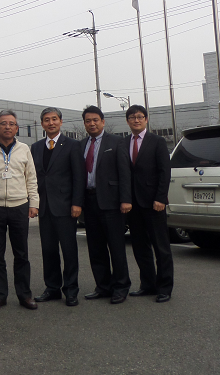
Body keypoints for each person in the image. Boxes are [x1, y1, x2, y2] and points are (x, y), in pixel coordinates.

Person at [0, 110, 40, 311]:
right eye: (3, 123)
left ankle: (25, 295)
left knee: (21, 254)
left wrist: (34, 203)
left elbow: (31, 178)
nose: (7, 127)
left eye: (11, 124)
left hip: (19, 206)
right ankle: (0, 295)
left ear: (16, 128)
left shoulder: (24, 149)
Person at [30, 107, 84, 307]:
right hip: (44, 207)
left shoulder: (73, 145)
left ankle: (71, 290)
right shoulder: (35, 147)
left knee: (69, 250)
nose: (50, 123)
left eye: (54, 119)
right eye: (46, 120)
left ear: (61, 122)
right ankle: (52, 288)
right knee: (48, 250)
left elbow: (79, 176)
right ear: (42, 124)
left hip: (66, 206)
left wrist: (77, 203)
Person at [80, 105, 132, 304]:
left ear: (102, 121)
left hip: (111, 202)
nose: (92, 124)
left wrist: (126, 199)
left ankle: (121, 286)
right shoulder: (81, 145)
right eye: (88, 121)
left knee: (116, 247)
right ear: (84, 124)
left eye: (95, 120)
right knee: (96, 248)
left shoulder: (117, 142)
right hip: (89, 202)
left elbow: (125, 172)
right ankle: (102, 286)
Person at [124, 105, 174, 303]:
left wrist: (161, 198)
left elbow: (164, 171)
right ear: (127, 121)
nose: (136, 120)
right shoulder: (124, 142)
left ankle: (164, 287)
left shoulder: (157, 141)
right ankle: (148, 284)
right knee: (140, 247)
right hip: (133, 204)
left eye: (139, 117)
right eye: (132, 117)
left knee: (161, 247)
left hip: (154, 203)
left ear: (146, 119)